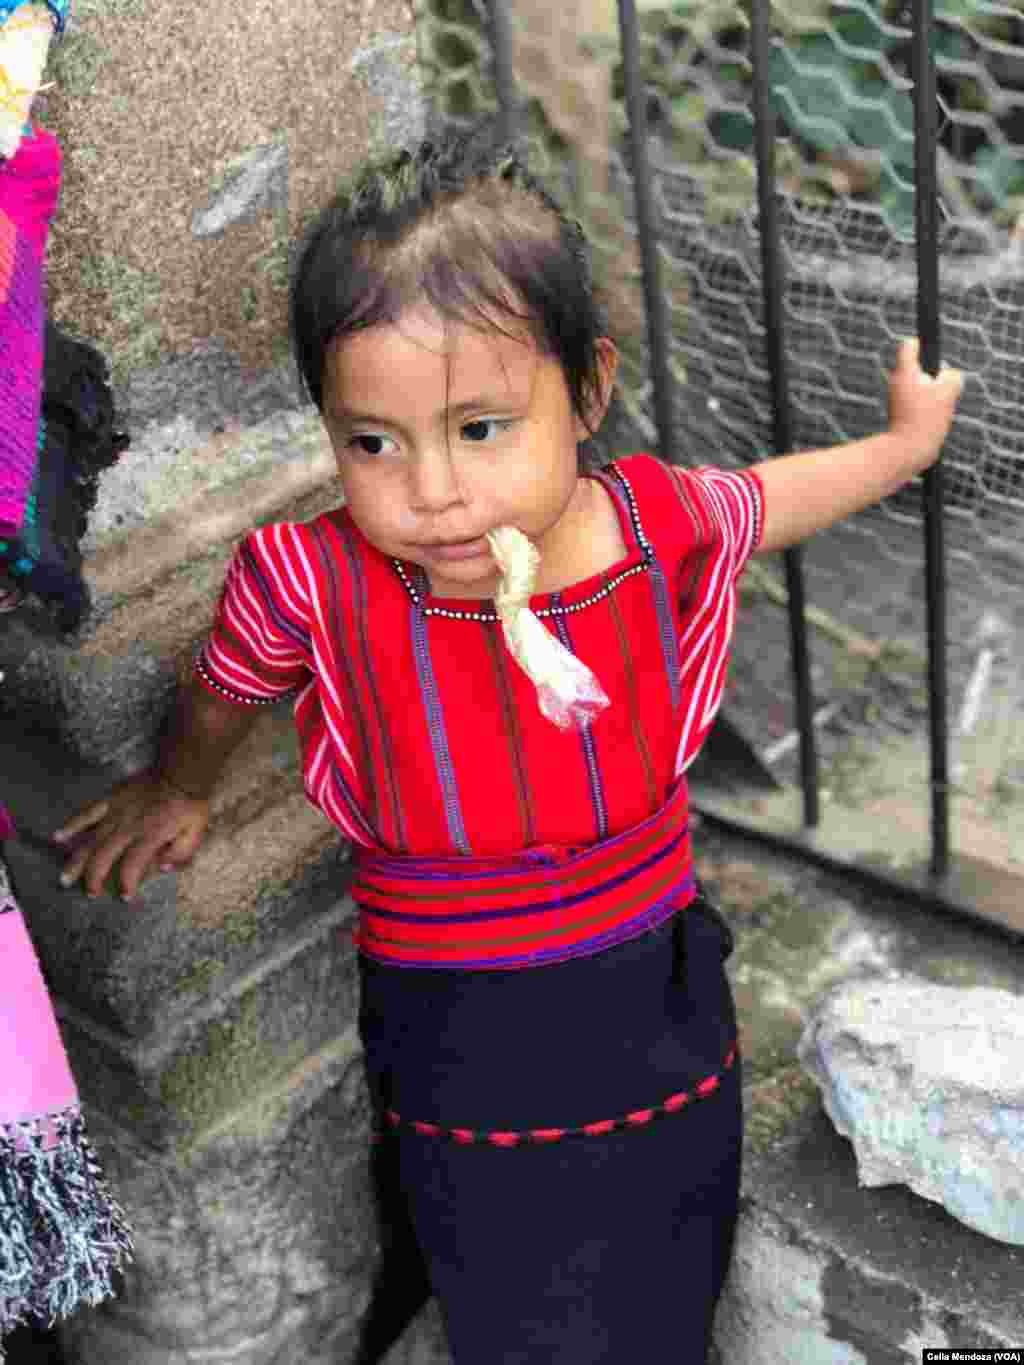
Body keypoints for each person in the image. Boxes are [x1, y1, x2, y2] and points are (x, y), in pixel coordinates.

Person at [51, 125, 962, 1362]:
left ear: (584, 391)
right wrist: (177, 787)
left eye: (480, 428)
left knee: (664, 1246)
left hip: (651, 993)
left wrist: (902, 448)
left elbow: (771, 501)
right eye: (372, 442)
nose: (432, 491)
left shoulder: (651, 521)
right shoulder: (311, 578)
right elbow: (226, 686)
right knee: (502, 1276)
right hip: (451, 1022)